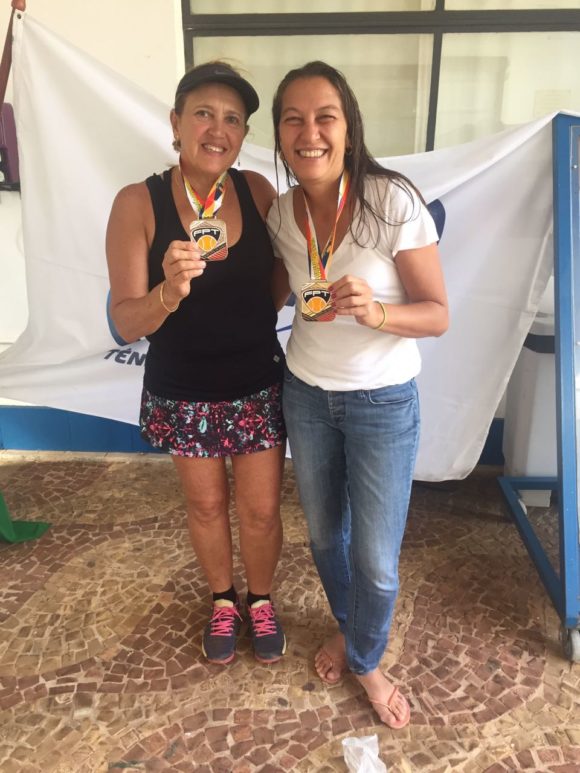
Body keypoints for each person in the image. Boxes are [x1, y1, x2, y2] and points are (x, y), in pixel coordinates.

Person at [268, 61, 449, 728]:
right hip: (306, 395)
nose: (309, 132)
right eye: (293, 119)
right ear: (279, 134)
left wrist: (379, 314)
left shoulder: (391, 200)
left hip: (382, 402)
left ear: (348, 128)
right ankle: (348, 628)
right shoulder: (280, 213)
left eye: (325, 117)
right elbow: (273, 295)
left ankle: (367, 659)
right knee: (325, 538)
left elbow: (438, 313)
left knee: (375, 561)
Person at [106, 61, 287, 666]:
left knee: (261, 510)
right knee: (206, 506)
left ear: (243, 135)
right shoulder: (139, 202)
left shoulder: (258, 192)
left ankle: (261, 600)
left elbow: (277, 284)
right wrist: (169, 293)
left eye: (232, 119)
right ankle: (223, 600)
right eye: (204, 113)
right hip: (184, 389)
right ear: (176, 123)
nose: (218, 129)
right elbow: (126, 322)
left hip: (256, 382)